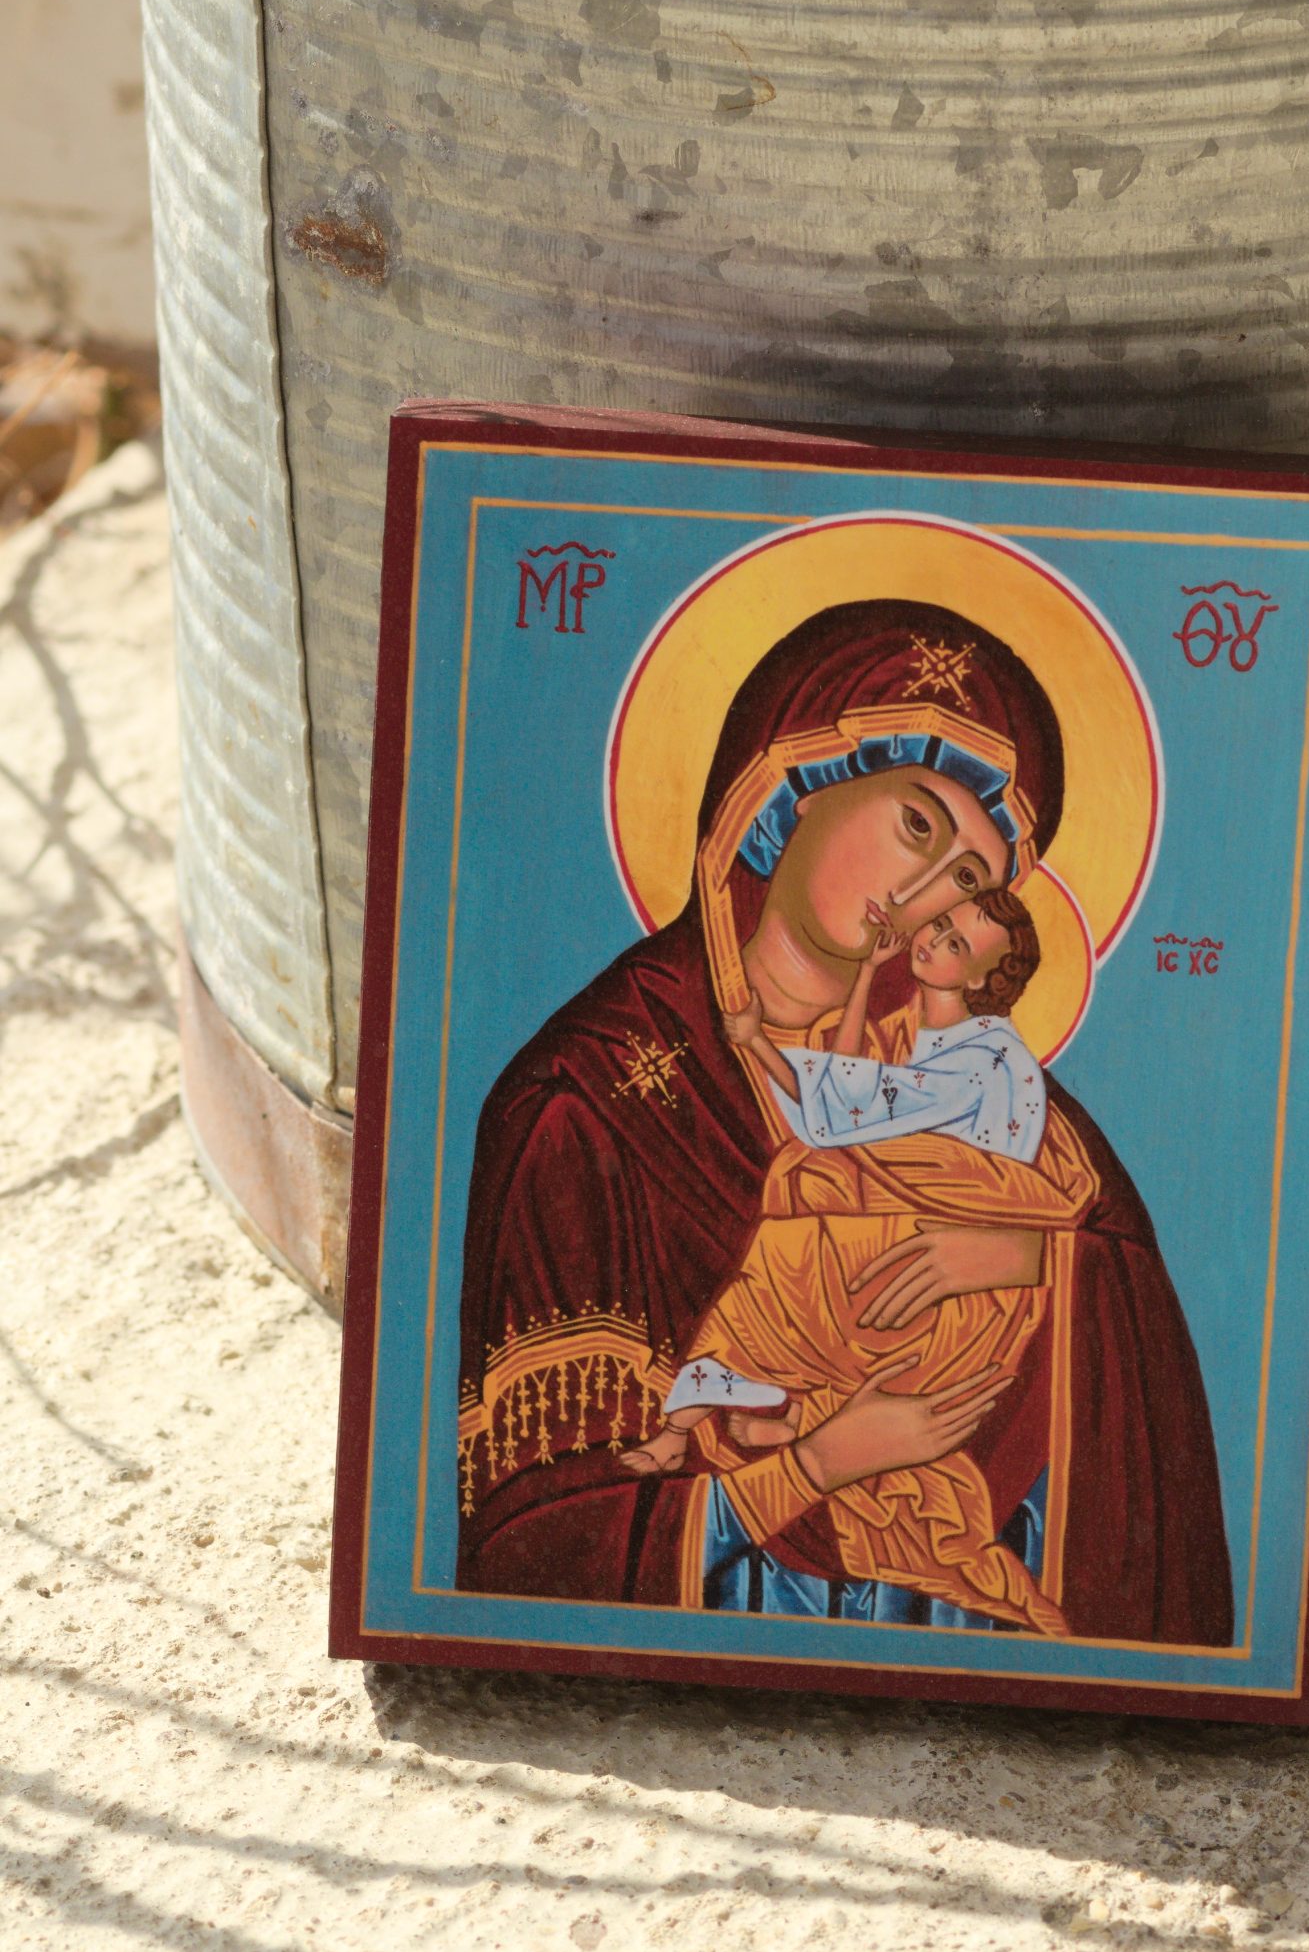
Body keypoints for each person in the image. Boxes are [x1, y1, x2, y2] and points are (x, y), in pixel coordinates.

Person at [456, 598, 1233, 1645]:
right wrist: (823, 1461)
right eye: (917, 823)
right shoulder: (589, 1102)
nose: (923, 890)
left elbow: (1122, 1308)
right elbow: (535, 1552)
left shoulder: (994, 1099)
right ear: (790, 782)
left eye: (969, 878)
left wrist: (1014, 1257)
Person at [617, 892, 1079, 1636]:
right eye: (941, 924)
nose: (934, 939)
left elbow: (852, 1106)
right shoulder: (917, 1033)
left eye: (957, 944)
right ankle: (719, 1422)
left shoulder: (991, 1059)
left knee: (794, 1249)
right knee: (798, 1225)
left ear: (983, 978)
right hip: (902, 1230)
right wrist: (867, 972)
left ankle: (719, 1418)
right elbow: (851, 1077)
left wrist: (757, 1046)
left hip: (956, 1272)